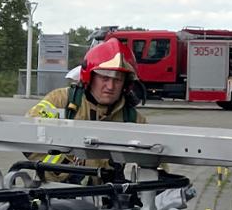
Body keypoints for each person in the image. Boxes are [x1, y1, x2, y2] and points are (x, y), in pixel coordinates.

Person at [26, 38, 145, 181]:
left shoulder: (133, 119)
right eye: (105, 78)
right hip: (54, 194)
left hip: (106, 197)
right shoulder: (61, 100)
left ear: (126, 83)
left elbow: (158, 158)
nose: (111, 86)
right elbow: (26, 134)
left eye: (118, 80)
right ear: (91, 76)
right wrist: (64, 170)